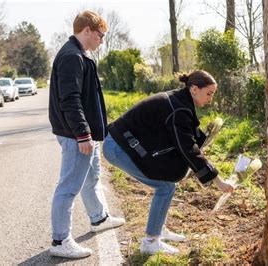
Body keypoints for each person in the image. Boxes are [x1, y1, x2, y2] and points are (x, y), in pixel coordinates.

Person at [102, 70, 235, 255]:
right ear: (195, 88)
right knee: (165, 188)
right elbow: (187, 148)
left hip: (121, 142)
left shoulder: (180, 101)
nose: (211, 98)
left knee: (168, 185)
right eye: (209, 93)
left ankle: (158, 229)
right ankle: (150, 242)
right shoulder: (179, 108)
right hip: (118, 148)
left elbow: (185, 137)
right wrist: (218, 181)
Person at [48, 10, 125, 259]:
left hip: (84, 133)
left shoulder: (80, 54)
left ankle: (99, 217)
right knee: (68, 187)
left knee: (91, 177)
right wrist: (82, 135)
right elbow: (70, 100)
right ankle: (60, 241)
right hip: (76, 135)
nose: (101, 40)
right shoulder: (72, 56)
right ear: (87, 31)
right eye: (100, 35)